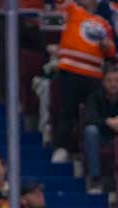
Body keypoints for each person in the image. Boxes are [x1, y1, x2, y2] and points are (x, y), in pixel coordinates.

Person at [50, 0, 115, 164]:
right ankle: (61, 148)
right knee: (67, 111)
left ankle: (82, 152)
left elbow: (111, 51)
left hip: (93, 75)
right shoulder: (72, 9)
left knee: (90, 116)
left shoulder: (104, 23)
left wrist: (108, 46)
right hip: (71, 70)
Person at [82, 66, 118, 194]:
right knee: (90, 131)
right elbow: (90, 117)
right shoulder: (95, 96)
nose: (113, 84)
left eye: (116, 80)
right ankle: (95, 178)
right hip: (101, 136)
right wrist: (108, 122)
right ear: (103, 82)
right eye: (109, 80)